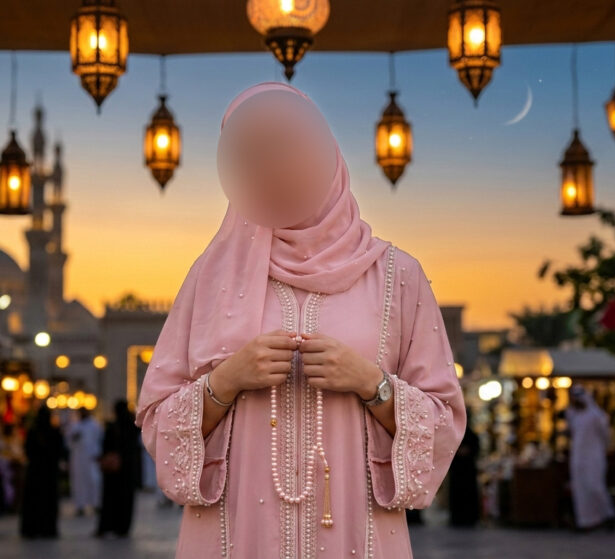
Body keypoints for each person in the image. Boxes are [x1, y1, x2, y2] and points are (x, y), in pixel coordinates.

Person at [135, 82, 467, 558]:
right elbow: (156, 423)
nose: (275, 167)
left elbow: (444, 422)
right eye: (254, 154)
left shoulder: (397, 276)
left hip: (357, 532)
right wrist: (225, 381)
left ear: (323, 152)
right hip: (236, 535)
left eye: (287, 147)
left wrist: (371, 383)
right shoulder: (210, 280)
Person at [565, 384, 615, 531]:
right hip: (578, 457)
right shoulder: (573, 414)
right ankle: (585, 520)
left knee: (595, 486)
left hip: (594, 456)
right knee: (580, 488)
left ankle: (608, 514)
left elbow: (605, 436)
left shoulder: (596, 415)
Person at [20, 405, 67, 538]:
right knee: (48, 501)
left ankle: (32, 529)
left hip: (35, 472)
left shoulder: (33, 432)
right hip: (49, 473)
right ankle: (47, 528)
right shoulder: (54, 432)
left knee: (34, 501)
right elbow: (60, 451)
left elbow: (28, 450)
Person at [96, 399, 141, 537]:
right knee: (125, 499)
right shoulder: (132, 427)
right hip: (127, 470)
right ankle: (122, 527)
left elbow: (105, 446)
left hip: (113, 471)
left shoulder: (113, 427)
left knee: (110, 498)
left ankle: (108, 526)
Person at [66, 408, 103, 516]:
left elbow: (99, 440)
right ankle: (80, 506)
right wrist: (74, 438)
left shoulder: (95, 425)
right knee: (78, 482)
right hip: (78, 459)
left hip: (91, 458)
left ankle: (96, 504)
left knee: (94, 481)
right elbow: (68, 441)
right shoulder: (74, 426)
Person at [448, 421, 481, 526]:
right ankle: (463, 518)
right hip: (462, 471)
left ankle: (464, 518)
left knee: (464, 494)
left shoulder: (457, 435)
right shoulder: (468, 435)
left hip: (464, 471)